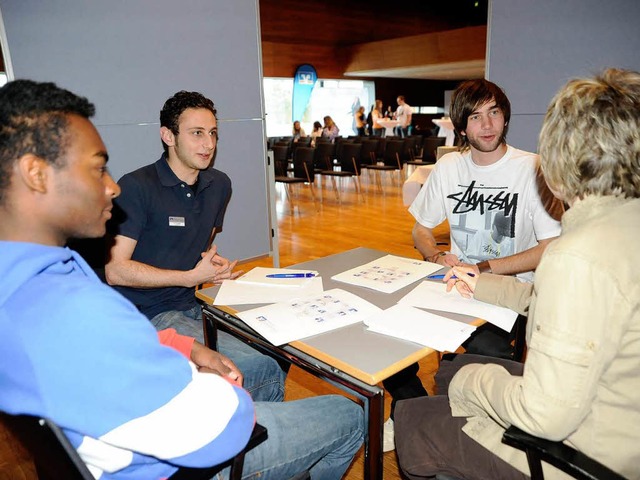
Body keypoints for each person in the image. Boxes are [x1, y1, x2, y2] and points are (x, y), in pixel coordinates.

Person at [0, 79, 364, 480]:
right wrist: (219, 392)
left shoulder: (40, 283)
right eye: (97, 169)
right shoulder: (81, 309)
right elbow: (213, 431)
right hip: (179, 462)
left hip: (157, 400)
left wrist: (184, 345)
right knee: (348, 414)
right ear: (35, 174)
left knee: (267, 359)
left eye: (213, 134)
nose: (111, 186)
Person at [395, 68, 640, 480]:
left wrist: (473, 384)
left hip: (589, 456)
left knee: (418, 418)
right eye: (475, 116)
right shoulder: (622, 224)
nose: (486, 124)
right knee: (449, 369)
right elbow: (549, 299)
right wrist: (476, 278)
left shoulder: (574, 255)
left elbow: (546, 417)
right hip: (613, 413)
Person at [381, 79, 564, 453]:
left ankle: (443, 421)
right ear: (461, 127)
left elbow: (550, 247)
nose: (487, 125)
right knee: (385, 334)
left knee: (478, 364)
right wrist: (434, 255)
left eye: (494, 112)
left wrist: (485, 269)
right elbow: (421, 229)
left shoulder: (533, 168)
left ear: (505, 118)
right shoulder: (450, 167)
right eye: (476, 117)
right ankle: (409, 407)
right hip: (452, 283)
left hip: (510, 294)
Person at [105, 91, 285, 403]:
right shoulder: (136, 187)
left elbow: (199, 243)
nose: (209, 144)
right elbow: (115, 270)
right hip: (146, 314)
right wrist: (188, 276)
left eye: (213, 133)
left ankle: (250, 425)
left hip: (192, 302)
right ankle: (248, 438)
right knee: (260, 368)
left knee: (280, 346)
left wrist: (209, 266)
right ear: (168, 136)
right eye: (197, 133)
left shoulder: (219, 185)